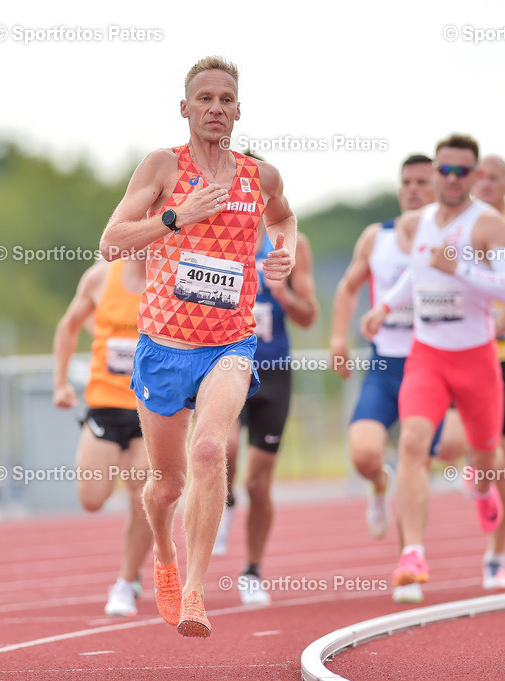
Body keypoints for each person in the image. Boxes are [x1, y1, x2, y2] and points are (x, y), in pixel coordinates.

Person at [98, 56, 296, 638]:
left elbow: (284, 219)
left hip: (229, 345)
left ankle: (194, 592)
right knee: (166, 487)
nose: (216, 108)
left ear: (239, 111)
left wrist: (283, 251)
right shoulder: (163, 166)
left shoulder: (261, 177)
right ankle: (163, 554)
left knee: (210, 449)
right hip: (163, 347)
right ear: (185, 108)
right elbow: (111, 243)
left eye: (226, 99)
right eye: (205, 99)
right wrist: (176, 217)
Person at [360, 134, 505, 598]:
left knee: (488, 457)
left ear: (474, 175)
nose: (452, 179)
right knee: (413, 442)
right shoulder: (419, 223)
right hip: (428, 355)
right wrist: (385, 307)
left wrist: (462, 269)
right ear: (436, 172)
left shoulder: (488, 225)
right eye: (445, 170)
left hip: (476, 358)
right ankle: (412, 553)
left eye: (462, 171)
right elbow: (418, 274)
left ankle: (482, 487)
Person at [431, 155, 505, 590]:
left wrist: (501, 325)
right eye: (483, 177)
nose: (488, 184)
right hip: (462, 350)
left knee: (502, 463)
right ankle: (474, 470)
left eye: (497, 178)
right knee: (448, 445)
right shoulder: (456, 224)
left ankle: (495, 558)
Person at [329, 154, 435, 603]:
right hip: (384, 366)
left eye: (422, 182)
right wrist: (338, 338)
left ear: (438, 189)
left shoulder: (449, 240)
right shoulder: (377, 236)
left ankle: (408, 563)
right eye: (407, 182)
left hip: (431, 366)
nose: (413, 189)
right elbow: (348, 285)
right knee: (364, 455)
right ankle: (378, 484)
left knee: (420, 458)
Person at [215, 227, 318, 607]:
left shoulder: (291, 244)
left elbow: (309, 316)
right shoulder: (214, 235)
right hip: (226, 365)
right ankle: (224, 500)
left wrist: (283, 295)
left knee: (259, 486)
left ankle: (252, 571)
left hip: (273, 373)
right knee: (223, 449)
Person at [52, 257, 154, 617]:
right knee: (92, 498)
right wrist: (61, 383)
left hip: (154, 405)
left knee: (145, 497)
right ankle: (133, 567)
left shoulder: (173, 275)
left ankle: (125, 582)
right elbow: (68, 326)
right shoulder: (99, 277)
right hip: (105, 404)